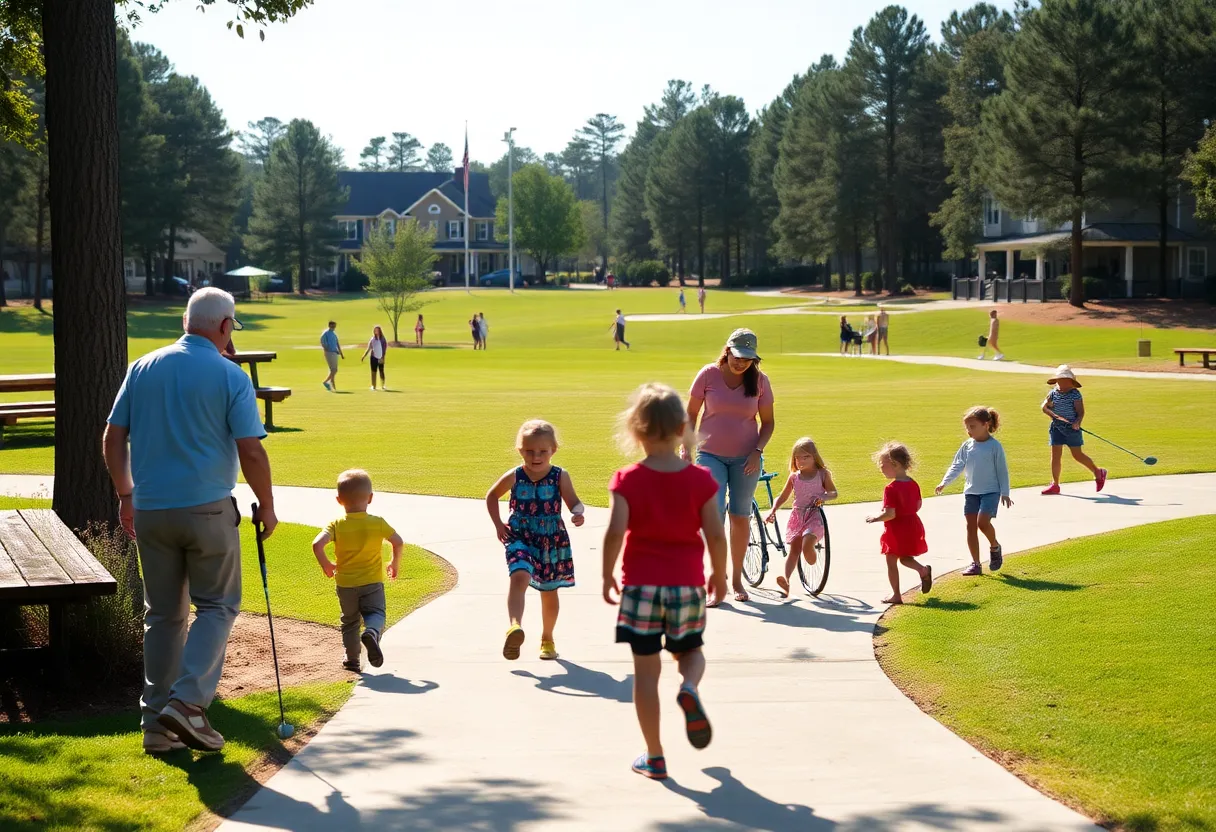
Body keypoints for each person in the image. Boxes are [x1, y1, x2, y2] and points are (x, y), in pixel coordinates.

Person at [103, 287, 277, 754]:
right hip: (207, 509)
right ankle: (188, 704)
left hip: (152, 509)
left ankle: (157, 728)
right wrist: (269, 503)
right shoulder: (229, 376)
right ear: (224, 326)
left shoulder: (143, 367)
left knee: (162, 616)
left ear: (185, 321)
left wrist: (125, 494)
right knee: (217, 606)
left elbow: (112, 437)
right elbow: (252, 450)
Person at [602, 383, 728, 780]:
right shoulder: (701, 480)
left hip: (640, 586)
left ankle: (655, 756)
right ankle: (689, 687)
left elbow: (614, 533)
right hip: (686, 585)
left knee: (645, 673)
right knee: (690, 652)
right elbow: (716, 535)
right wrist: (720, 574)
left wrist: (606, 571)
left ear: (636, 431)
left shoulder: (627, 479)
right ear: (682, 429)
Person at [685, 328, 775, 605]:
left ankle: (736, 579)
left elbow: (768, 422)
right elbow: (690, 415)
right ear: (727, 351)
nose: (741, 363)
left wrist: (757, 452)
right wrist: (685, 449)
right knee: (714, 516)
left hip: (746, 458)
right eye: (737, 356)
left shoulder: (760, 382)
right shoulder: (708, 375)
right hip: (709, 455)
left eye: (747, 359)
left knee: (740, 516)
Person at [486, 420, 585, 661]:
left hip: (551, 541)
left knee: (549, 592)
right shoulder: (515, 475)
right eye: (529, 451)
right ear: (520, 450)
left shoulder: (560, 476)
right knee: (518, 575)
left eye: (542, 451)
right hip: (519, 536)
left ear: (554, 450)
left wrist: (577, 512)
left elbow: (573, 501)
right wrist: (499, 524)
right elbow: (491, 496)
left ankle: (547, 639)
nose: (536, 456)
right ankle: (514, 627)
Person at [311, 469, 403, 672]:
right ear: (370, 498)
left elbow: (317, 545)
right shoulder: (378, 523)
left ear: (338, 500)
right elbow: (398, 542)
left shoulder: (336, 525)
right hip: (372, 582)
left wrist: (326, 564)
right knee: (376, 613)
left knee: (350, 621)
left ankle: (352, 659)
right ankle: (371, 632)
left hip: (345, 584)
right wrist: (393, 563)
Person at [935, 407, 1013, 576]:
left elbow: (1002, 470)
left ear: (986, 425)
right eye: (967, 427)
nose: (969, 431)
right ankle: (976, 564)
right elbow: (957, 465)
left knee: (982, 523)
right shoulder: (967, 446)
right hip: (971, 492)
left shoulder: (994, 446)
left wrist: (1005, 492)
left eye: (973, 426)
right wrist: (944, 482)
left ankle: (995, 546)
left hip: (990, 491)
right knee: (971, 527)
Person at [764, 437, 838, 598]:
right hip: (797, 516)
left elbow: (834, 493)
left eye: (806, 457)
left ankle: (810, 554)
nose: (801, 461)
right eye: (797, 458)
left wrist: (824, 498)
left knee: (807, 543)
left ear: (814, 457)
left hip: (814, 515)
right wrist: (773, 510)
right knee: (794, 550)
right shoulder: (794, 477)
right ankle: (786, 581)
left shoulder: (823, 474)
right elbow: (782, 497)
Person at [865, 442, 932, 605]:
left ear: (894, 464)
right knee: (904, 558)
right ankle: (922, 570)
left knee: (891, 561)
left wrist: (875, 517)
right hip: (912, 525)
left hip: (897, 529)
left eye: (883, 465)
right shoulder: (913, 483)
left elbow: (890, 514)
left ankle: (896, 595)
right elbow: (918, 505)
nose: (881, 469)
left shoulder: (891, 488)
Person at [1040, 365, 1106, 495]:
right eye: (1060, 380)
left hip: (1071, 429)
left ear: (1071, 382)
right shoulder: (1053, 393)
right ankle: (1055, 484)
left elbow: (1081, 412)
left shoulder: (1075, 394)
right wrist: (1054, 415)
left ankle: (1098, 472)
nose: (1062, 382)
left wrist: (1077, 422)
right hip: (1056, 428)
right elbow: (1044, 406)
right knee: (1055, 456)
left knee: (1077, 455)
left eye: (1065, 380)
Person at [361, 325, 388, 391]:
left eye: (377, 330)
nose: (376, 331)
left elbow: (384, 349)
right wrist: (364, 356)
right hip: (373, 357)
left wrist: (383, 357)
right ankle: (373, 385)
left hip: (380, 357)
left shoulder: (383, 339)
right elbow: (369, 348)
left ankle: (383, 385)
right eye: (375, 330)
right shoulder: (372, 339)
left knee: (381, 371)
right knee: (373, 372)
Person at [321, 320, 344, 391]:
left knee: (333, 370)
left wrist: (341, 353)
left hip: (334, 353)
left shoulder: (334, 334)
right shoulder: (326, 333)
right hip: (329, 353)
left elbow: (337, 343)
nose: (334, 327)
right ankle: (326, 382)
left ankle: (331, 385)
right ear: (329, 325)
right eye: (333, 326)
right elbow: (322, 341)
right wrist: (326, 349)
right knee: (334, 370)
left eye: (335, 326)